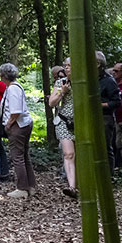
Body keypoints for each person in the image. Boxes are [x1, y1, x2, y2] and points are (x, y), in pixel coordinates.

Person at [0, 63, 35, 199]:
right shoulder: (16, 87)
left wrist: (8, 124)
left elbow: (15, 111)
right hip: (24, 123)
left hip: (18, 126)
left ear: (4, 76)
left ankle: (22, 188)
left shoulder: (12, 89)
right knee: (24, 156)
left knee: (17, 157)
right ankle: (31, 185)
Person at [48, 61, 77, 198]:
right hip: (65, 122)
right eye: (65, 65)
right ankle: (72, 187)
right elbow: (51, 102)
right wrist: (63, 92)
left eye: (69, 65)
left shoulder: (86, 82)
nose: (66, 67)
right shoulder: (61, 83)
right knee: (68, 154)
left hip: (83, 123)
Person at [97, 51, 122, 176]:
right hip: (90, 117)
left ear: (98, 64)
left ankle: (108, 176)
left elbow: (117, 102)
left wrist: (100, 105)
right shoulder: (89, 78)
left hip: (105, 118)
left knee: (105, 147)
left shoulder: (109, 81)